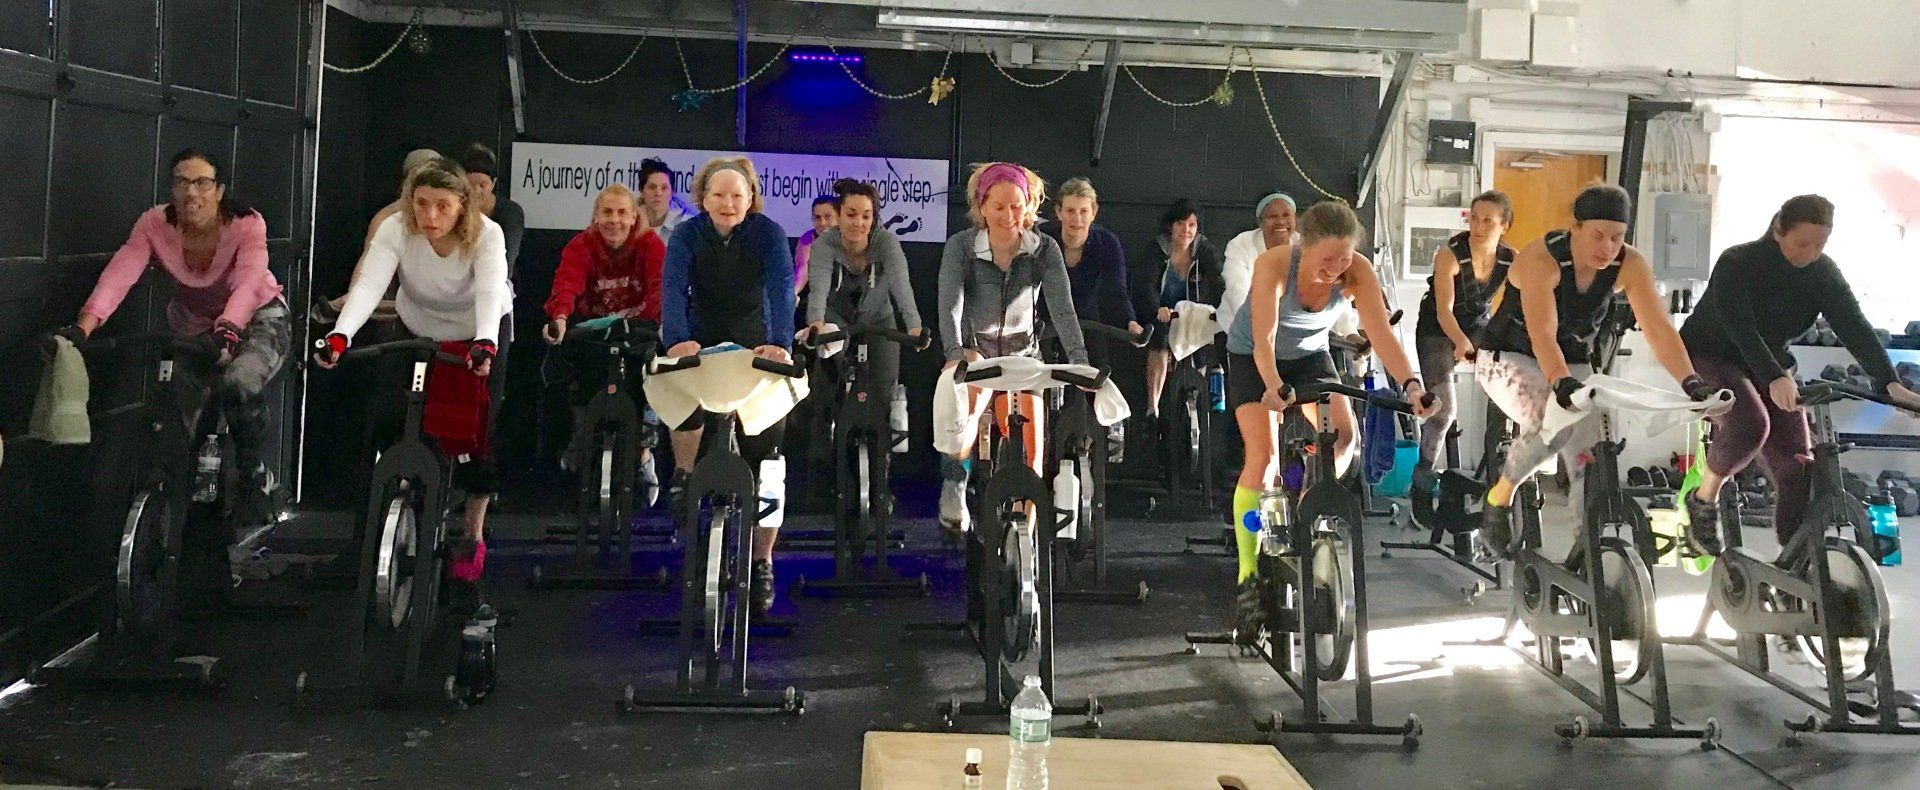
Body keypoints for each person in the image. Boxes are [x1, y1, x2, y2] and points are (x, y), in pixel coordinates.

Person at [1473, 184, 1719, 558]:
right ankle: (1498, 499)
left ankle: (1588, 553)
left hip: (1572, 360)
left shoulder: (1630, 264)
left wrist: (1691, 382)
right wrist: (1560, 382)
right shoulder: (1543, 259)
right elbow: (1542, 333)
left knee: (1591, 456)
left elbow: (1658, 327)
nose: (1608, 248)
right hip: (1506, 356)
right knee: (1556, 425)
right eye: (1598, 236)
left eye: (1617, 238)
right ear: (1576, 229)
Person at [1224, 199, 1437, 628]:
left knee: (1345, 440)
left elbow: (1381, 334)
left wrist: (1413, 386)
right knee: (1262, 461)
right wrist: (1272, 386)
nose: (1335, 270)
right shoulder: (1274, 265)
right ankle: (1248, 575)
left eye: (1343, 260)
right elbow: (1264, 339)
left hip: (1309, 356)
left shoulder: (1357, 272)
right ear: (1303, 245)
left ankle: (1305, 511)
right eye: (1326, 261)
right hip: (1252, 357)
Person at [65, 148, 290, 534]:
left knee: (239, 383)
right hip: (192, 327)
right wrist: (84, 328)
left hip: (254, 318)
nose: (191, 194)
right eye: (182, 183)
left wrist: (229, 329)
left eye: (202, 183)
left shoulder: (246, 225)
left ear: (219, 190)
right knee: (176, 412)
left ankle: (254, 475)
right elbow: (123, 270)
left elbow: (251, 279)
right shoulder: (154, 224)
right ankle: (176, 510)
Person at [1679, 195, 1920, 556]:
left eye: (1820, 245)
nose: (1810, 254)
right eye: (1802, 243)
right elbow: (1741, 329)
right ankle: (1702, 500)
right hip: (1708, 353)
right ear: (1778, 229)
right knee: (1750, 425)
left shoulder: (1823, 274)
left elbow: (1855, 328)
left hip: (1768, 361)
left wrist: (1890, 383)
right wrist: (1776, 376)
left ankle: (1795, 559)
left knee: (1798, 465)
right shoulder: (1738, 262)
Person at [315, 157, 513, 584]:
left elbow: (490, 290)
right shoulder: (396, 229)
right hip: (417, 324)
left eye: (442, 205)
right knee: (388, 417)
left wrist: (484, 343)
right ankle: (380, 526)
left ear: (462, 205)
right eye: (421, 204)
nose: (430, 216)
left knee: (478, 430)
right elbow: (369, 285)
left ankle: (471, 534)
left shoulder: (488, 235)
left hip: (478, 328)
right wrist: (341, 335)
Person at [660, 156, 795, 615]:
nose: (728, 203)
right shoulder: (686, 235)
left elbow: (781, 288)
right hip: (700, 343)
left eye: (738, 195)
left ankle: (762, 561)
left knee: (769, 460)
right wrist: (678, 341)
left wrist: (778, 345)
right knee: (679, 397)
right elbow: (673, 288)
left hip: (757, 346)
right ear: (703, 198)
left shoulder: (768, 234)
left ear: (751, 198)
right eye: (718, 194)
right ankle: (682, 477)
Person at [936, 162, 1088, 534]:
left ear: (1029, 206)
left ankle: (1025, 536)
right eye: (999, 206)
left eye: (1017, 206)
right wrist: (955, 352)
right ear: (982, 206)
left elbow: (1063, 309)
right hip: (978, 350)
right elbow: (949, 304)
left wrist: (1080, 361)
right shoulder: (962, 247)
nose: (1008, 216)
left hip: (1024, 356)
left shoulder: (1044, 249)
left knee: (1032, 449)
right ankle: (956, 480)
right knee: (967, 400)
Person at [542, 183, 666, 499]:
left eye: (622, 212)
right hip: (593, 335)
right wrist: (558, 318)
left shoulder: (650, 244)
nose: (615, 220)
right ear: (596, 217)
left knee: (654, 375)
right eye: (607, 212)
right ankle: (580, 437)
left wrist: (655, 323)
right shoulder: (581, 245)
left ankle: (643, 455)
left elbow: (659, 288)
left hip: (639, 334)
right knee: (569, 370)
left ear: (634, 216)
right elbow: (566, 285)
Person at [1412, 191, 1516, 488]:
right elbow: (1444, 311)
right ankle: (1423, 476)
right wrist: (1460, 342)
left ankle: (1499, 467)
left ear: (1505, 226)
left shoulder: (1512, 260)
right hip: (1437, 329)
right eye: (1474, 219)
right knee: (1443, 411)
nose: (1479, 226)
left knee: (1509, 387)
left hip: (1477, 326)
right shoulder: (1450, 255)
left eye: (1488, 221)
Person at [1037, 177, 1141, 453]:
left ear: (1093, 213)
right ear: (1058, 213)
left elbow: (1116, 290)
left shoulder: (1106, 243)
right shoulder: (1042, 239)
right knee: (1039, 378)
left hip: (1087, 318)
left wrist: (1130, 321)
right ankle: (1041, 440)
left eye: (1084, 211)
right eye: (1070, 211)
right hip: (1045, 318)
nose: (1077, 219)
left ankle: (1102, 441)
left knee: (1099, 372)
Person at [803, 178, 925, 401]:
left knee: (885, 392)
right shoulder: (825, 244)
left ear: (873, 219)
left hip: (878, 318)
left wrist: (914, 327)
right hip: (837, 317)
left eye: (866, 216)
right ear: (838, 215)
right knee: (826, 392)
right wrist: (816, 324)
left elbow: (902, 287)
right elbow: (818, 289)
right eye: (851, 214)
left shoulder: (886, 243)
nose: (858, 222)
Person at [1134, 198, 1224, 419]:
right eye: (1181, 224)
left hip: (1196, 313)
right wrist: (1157, 309)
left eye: (1192, 225)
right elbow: (1145, 284)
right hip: (1164, 312)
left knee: (1204, 345)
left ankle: (1199, 404)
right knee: (1159, 340)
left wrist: (1218, 309)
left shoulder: (1204, 251)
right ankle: (1152, 406)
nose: (1186, 230)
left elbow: (1218, 281)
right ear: (1171, 226)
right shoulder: (1157, 250)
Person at [1218, 192, 1299, 337]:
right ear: (1260, 222)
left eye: (1286, 215)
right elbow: (1237, 291)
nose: (1280, 221)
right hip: (1242, 330)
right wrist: (1263, 328)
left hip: (1290, 332)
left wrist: (1348, 331)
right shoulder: (1241, 244)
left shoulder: (1305, 246)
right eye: (1272, 216)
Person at [457, 142, 526, 276]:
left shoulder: (511, 213)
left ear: (493, 183)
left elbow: (508, 260)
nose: (476, 191)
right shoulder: (454, 209)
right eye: (470, 184)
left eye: (483, 185)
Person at [638, 157, 692, 244]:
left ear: (672, 192)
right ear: (641, 191)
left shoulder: (687, 225)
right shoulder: (630, 221)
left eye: (664, 188)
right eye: (652, 187)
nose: (658, 193)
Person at [794, 194, 838, 299]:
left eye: (828, 217)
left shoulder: (851, 239)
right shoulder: (808, 238)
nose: (822, 223)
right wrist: (793, 293)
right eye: (817, 218)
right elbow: (803, 268)